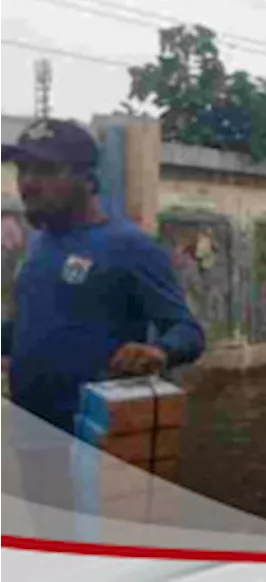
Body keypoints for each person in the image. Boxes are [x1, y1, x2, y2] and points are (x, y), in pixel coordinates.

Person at [0, 119, 207, 436]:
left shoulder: (130, 246)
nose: (27, 183)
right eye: (23, 170)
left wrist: (160, 351)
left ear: (87, 177)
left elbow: (187, 330)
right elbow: (34, 326)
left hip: (93, 439)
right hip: (31, 433)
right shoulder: (40, 244)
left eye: (44, 170)